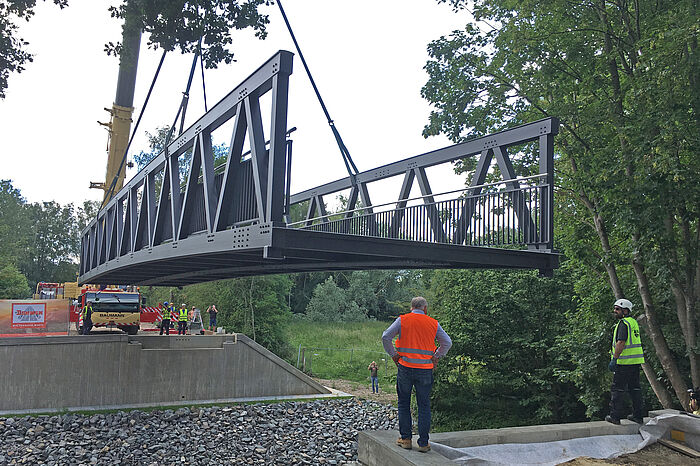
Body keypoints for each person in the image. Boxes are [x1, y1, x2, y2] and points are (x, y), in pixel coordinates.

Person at [382, 296, 452, 453]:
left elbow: (385, 337)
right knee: (424, 405)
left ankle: (406, 439)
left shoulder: (403, 320)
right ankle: (423, 443)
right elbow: (447, 342)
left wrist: (394, 355)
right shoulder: (433, 323)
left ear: (411, 308)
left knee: (403, 403)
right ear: (425, 309)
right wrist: (436, 356)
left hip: (405, 367)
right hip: (425, 370)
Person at [606, 298, 645, 425]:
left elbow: (621, 342)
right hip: (635, 362)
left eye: (617, 309)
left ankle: (615, 416)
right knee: (635, 389)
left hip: (623, 363)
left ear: (625, 310)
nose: (615, 311)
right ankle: (638, 416)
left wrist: (615, 359)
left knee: (618, 390)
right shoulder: (633, 322)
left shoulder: (623, 324)